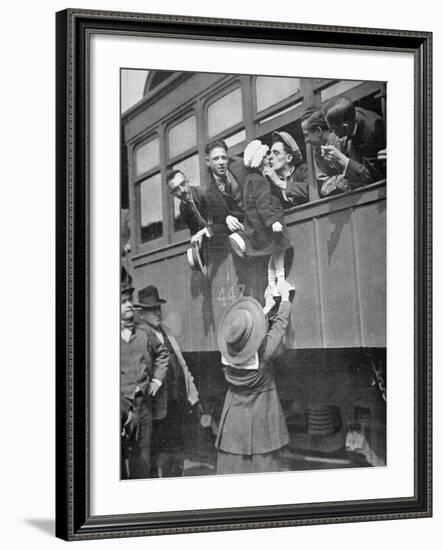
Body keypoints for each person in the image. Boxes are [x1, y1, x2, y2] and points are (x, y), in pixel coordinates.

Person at [215, 278, 294, 475]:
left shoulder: (227, 358)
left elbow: (248, 337)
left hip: (233, 427)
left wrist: (266, 308)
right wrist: (285, 299)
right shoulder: (264, 354)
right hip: (261, 426)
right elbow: (278, 329)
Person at [135, 285, 200, 477]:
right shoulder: (141, 335)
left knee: (176, 451)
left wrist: (192, 390)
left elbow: (181, 362)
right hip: (155, 408)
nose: (157, 313)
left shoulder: (166, 332)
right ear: (142, 313)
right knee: (156, 454)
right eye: (151, 309)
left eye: (158, 308)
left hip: (173, 403)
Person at [230, 139, 293, 311]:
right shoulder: (259, 180)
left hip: (258, 229)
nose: (268, 157)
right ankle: (280, 281)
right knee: (280, 249)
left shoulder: (251, 179)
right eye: (266, 155)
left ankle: (272, 286)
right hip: (267, 228)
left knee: (273, 255)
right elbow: (262, 204)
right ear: (259, 159)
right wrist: (272, 221)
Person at [120, 282, 169, 479]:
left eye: (129, 300)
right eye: (122, 302)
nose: (129, 305)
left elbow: (162, 354)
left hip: (144, 409)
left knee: (143, 462)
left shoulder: (143, 332)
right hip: (119, 411)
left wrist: (156, 380)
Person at [322, 95, 386, 186]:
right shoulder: (351, 116)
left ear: (345, 127)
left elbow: (373, 176)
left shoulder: (371, 131)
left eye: (333, 129)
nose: (332, 134)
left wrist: (341, 158)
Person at [301, 108, 349, 197]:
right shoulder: (317, 152)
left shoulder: (340, 141)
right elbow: (322, 186)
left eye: (306, 135)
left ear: (319, 131)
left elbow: (352, 176)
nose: (306, 141)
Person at [205, 139, 247, 234]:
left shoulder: (241, 166)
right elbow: (219, 218)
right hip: (242, 231)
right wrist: (227, 218)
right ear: (208, 162)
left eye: (223, 158)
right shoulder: (209, 194)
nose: (221, 162)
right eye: (216, 159)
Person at [264, 130, 309, 208]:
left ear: (289, 158)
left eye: (276, 153)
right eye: (270, 153)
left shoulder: (303, 169)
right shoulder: (271, 180)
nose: (270, 157)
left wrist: (278, 182)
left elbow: (310, 190)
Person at [166, 169, 210, 246]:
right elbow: (194, 231)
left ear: (188, 182)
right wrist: (194, 238)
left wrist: (206, 230)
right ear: (172, 193)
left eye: (183, 184)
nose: (182, 190)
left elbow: (222, 220)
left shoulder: (204, 193)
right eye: (176, 189)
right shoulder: (183, 208)